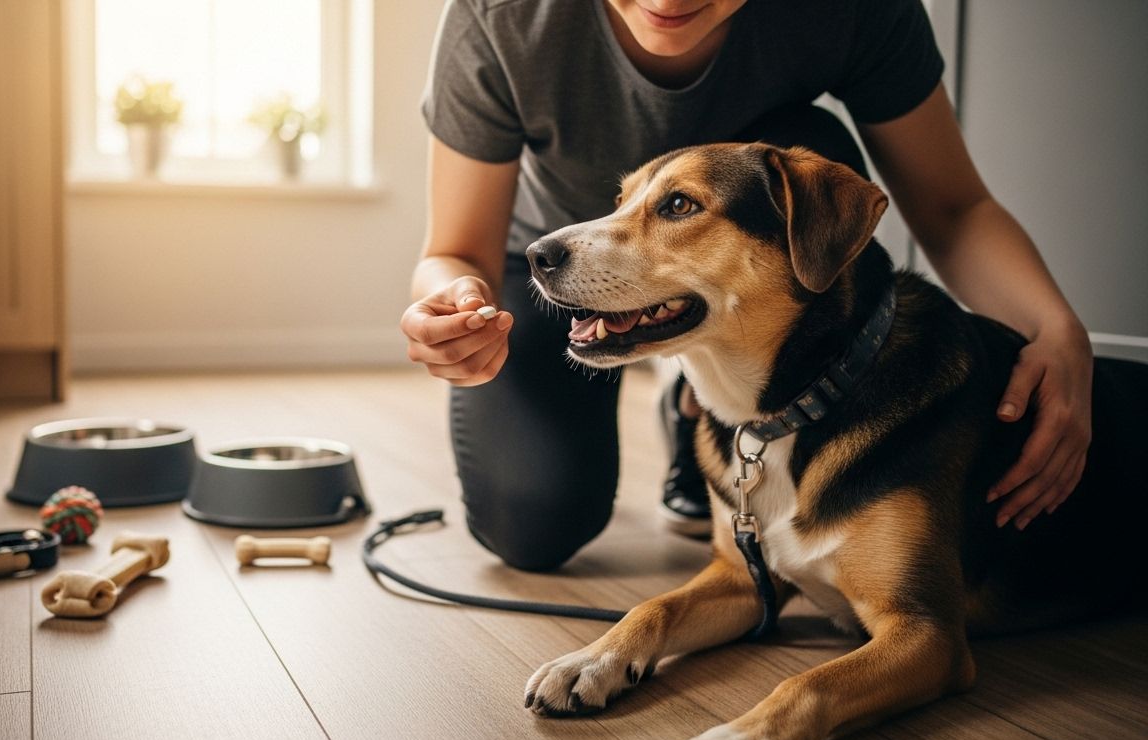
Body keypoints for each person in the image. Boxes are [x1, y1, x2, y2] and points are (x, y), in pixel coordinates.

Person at [399, 0, 1093, 571]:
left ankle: (713, 393)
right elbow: (455, 252)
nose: (667, 2)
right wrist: (454, 303)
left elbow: (952, 208)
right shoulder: (501, 14)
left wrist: (1058, 331)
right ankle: (697, 389)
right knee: (532, 526)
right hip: (546, 264)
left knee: (816, 150)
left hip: (750, 253)